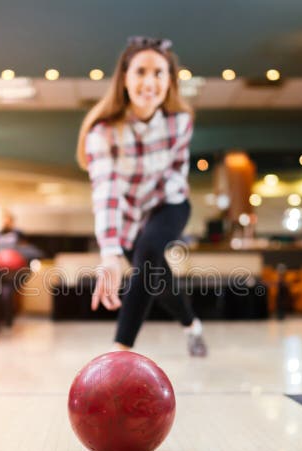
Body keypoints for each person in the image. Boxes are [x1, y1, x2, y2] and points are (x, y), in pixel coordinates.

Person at [76, 36, 207, 357]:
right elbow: (105, 191)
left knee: (148, 252)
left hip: (169, 203)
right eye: (141, 72)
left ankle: (120, 349)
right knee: (157, 277)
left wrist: (154, 219)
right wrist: (109, 251)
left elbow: (177, 169)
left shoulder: (180, 122)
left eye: (159, 73)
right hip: (129, 216)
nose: (150, 81)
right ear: (124, 78)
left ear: (170, 81)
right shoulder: (103, 132)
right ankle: (193, 326)